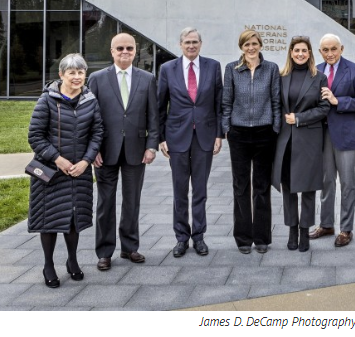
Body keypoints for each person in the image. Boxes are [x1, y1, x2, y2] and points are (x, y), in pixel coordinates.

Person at [27, 53, 104, 288]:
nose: (77, 76)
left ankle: (72, 261)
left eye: (81, 72)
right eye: (72, 72)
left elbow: (97, 133)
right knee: (48, 219)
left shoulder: (90, 100)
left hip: (78, 171)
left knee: (74, 219)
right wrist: (58, 159)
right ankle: (48, 265)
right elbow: (35, 136)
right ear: (61, 75)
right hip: (51, 171)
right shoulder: (47, 100)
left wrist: (86, 161)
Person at [88, 33, 159, 270]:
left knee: (132, 201)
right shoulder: (97, 79)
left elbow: (154, 116)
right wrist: (92, 149)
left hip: (136, 151)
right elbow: (90, 117)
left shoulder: (147, 78)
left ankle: (130, 248)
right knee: (105, 202)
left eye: (129, 48)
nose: (124, 52)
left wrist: (151, 146)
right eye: (120, 48)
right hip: (105, 151)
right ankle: (105, 252)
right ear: (112, 51)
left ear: (135, 51)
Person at [158, 27, 223, 258]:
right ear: (180, 44)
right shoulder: (167, 69)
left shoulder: (213, 67)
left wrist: (219, 135)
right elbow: (160, 105)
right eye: (187, 42)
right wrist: (161, 138)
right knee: (179, 191)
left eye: (195, 42)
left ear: (201, 44)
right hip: (176, 137)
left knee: (200, 191)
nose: (191, 45)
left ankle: (199, 237)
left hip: (204, 136)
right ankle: (181, 238)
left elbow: (219, 103)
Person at [221, 29, 282, 254]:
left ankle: (262, 237)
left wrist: (275, 127)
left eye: (254, 43)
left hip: (265, 133)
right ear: (241, 47)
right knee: (241, 186)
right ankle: (243, 238)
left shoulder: (271, 69)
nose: (251, 48)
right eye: (246, 44)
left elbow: (276, 101)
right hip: (239, 134)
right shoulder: (232, 69)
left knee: (261, 186)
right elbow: (226, 102)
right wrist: (226, 128)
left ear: (260, 45)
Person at [310, 33, 355, 247]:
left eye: (333, 49)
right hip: (321, 135)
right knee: (326, 182)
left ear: (341, 49)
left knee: (347, 183)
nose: (330, 53)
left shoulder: (354, 70)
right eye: (325, 50)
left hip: (346, 135)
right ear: (320, 52)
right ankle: (326, 225)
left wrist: (338, 101)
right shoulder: (314, 70)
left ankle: (346, 229)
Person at [272, 36, 330, 252]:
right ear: (290, 52)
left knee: (307, 188)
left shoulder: (319, 77)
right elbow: (276, 105)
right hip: (285, 140)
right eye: (297, 50)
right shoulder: (281, 76)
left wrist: (299, 118)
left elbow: (324, 108)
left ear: (310, 53)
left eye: (304, 50)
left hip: (309, 140)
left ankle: (305, 231)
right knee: (288, 187)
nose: (300, 54)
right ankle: (292, 230)